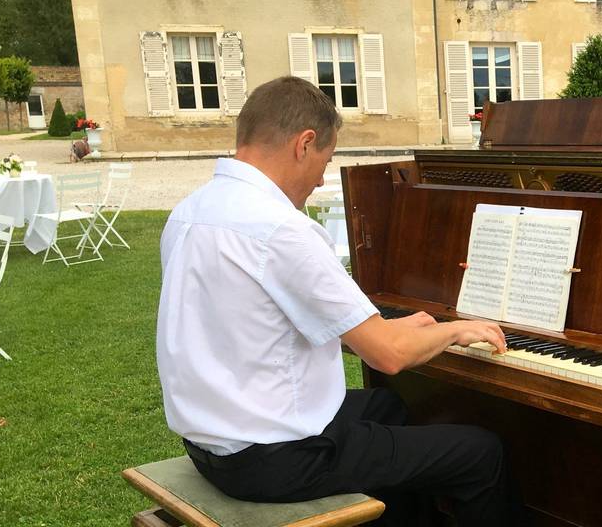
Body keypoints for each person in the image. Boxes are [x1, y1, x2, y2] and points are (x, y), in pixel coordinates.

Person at [156, 76, 516, 526]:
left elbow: (271, 324)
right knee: (480, 453)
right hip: (275, 460)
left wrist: (394, 327)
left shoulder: (192, 210)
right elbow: (388, 357)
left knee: (387, 408)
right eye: (325, 159)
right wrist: (456, 328)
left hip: (214, 444)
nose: (322, 176)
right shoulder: (281, 229)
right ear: (304, 143)